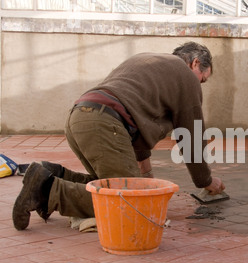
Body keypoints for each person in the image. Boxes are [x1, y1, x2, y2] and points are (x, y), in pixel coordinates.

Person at [12, 41, 225, 231]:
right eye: (203, 80)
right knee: (131, 201)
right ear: (195, 63)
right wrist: (206, 181)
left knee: (108, 184)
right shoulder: (186, 77)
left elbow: (138, 117)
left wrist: (145, 172)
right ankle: (46, 190)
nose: (200, 86)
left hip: (80, 117)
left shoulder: (148, 61)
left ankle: (53, 175)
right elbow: (192, 137)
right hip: (105, 124)